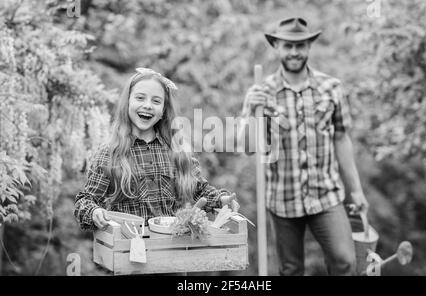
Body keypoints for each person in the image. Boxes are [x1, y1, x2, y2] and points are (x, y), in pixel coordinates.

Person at [241, 17, 369, 275]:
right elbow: (249, 147)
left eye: (301, 45)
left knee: (345, 261)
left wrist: (356, 190)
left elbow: (342, 138)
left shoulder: (331, 88)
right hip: (282, 198)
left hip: (327, 195)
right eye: (288, 46)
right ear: (276, 46)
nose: (295, 52)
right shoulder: (262, 92)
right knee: (290, 270)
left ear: (310, 46)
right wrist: (250, 111)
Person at [74, 68, 239, 231]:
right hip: (128, 249)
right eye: (140, 98)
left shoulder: (177, 150)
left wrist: (221, 199)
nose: (147, 106)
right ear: (128, 103)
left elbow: (200, 191)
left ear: (163, 111)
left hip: (170, 249)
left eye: (156, 101)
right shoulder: (111, 153)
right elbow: (85, 200)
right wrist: (94, 211)